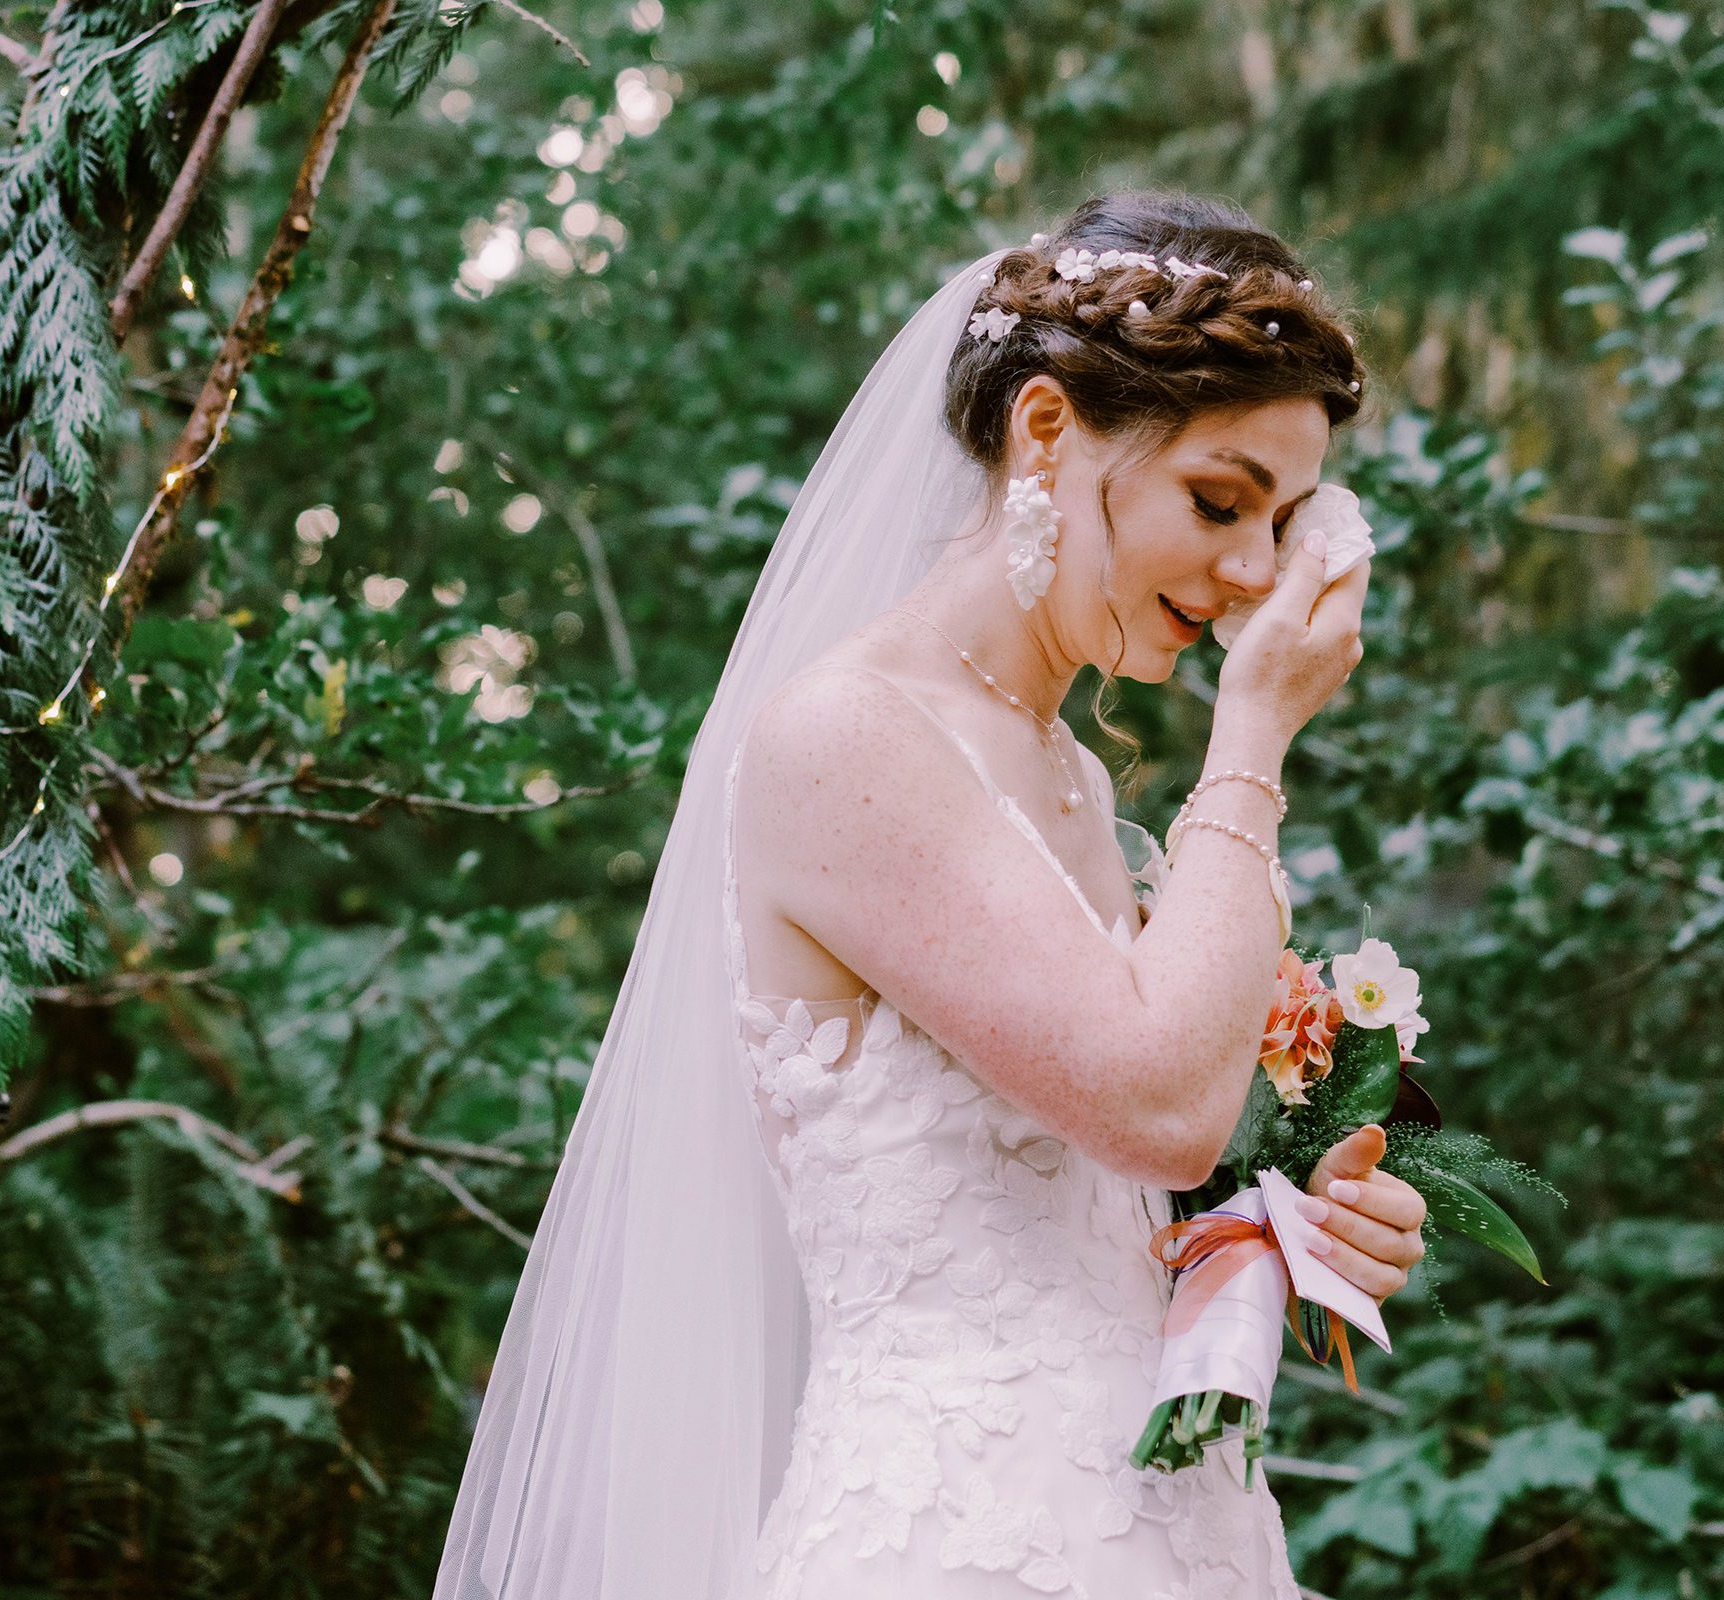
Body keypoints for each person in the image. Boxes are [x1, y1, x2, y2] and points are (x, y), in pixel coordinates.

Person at [431, 191, 1428, 1600]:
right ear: (1044, 432)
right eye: (1219, 502)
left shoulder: (1072, 776)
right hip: (953, 1542)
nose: (1258, 574)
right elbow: (1155, 1102)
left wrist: (1283, 1228)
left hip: (1168, 1532)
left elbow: (1090, 1198)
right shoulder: (846, 740)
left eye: (1283, 522)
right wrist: (1254, 737)